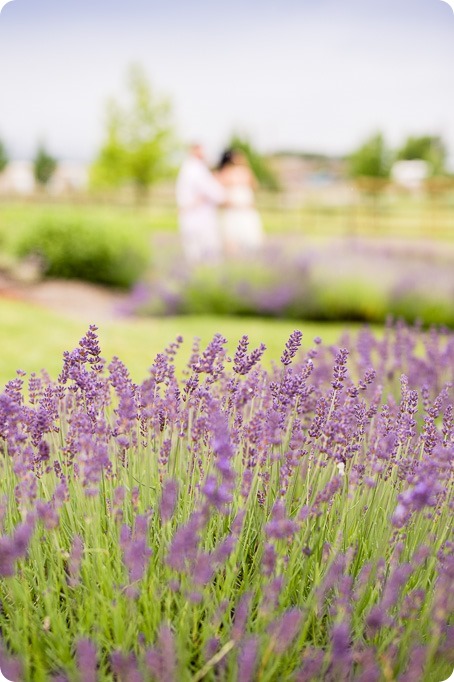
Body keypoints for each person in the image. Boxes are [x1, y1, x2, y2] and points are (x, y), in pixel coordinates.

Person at [175, 143, 225, 264]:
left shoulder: (187, 167)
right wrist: (222, 196)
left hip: (191, 213)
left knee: (193, 248)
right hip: (200, 214)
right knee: (205, 248)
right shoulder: (196, 168)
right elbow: (210, 190)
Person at [216, 149, 264, 256]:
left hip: (246, 208)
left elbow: (255, 185)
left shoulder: (246, 171)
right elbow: (219, 187)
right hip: (233, 208)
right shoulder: (227, 172)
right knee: (233, 235)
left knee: (249, 234)